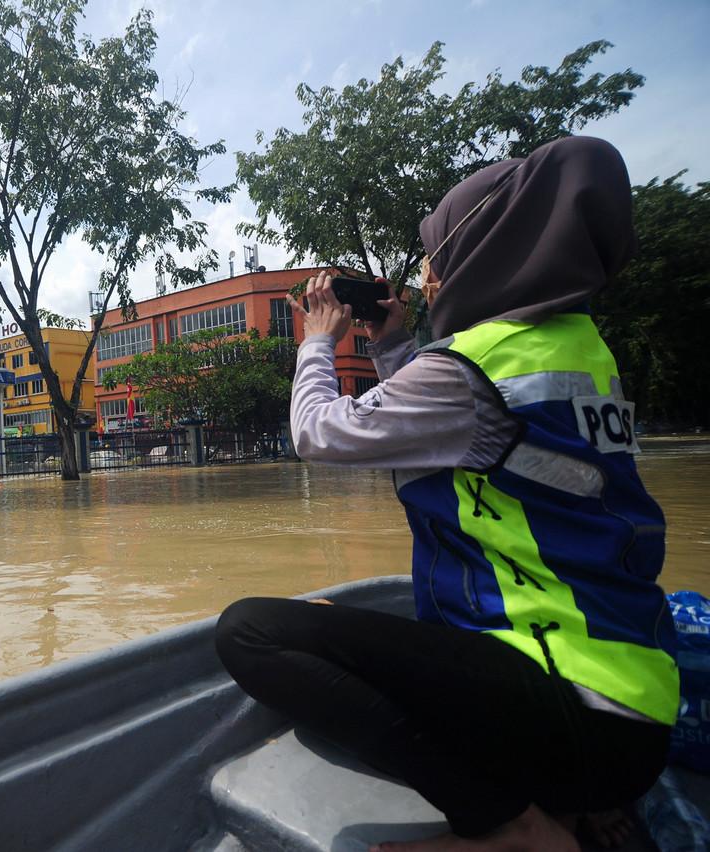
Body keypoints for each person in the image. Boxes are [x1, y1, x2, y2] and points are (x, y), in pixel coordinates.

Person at [214, 136, 676, 852]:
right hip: (634, 703)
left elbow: (317, 434)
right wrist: (393, 346)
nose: (428, 277)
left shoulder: (471, 369)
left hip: (573, 714)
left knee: (250, 631)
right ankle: (581, 804)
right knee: (348, 618)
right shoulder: (572, 346)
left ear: (487, 250)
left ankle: (511, 826)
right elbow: (467, 442)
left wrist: (316, 341)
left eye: (435, 254)